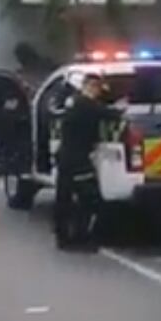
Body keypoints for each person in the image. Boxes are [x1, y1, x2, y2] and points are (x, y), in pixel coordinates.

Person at [54, 72, 120, 251]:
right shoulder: (87, 104)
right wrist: (122, 108)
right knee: (90, 199)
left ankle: (64, 237)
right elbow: (111, 114)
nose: (100, 93)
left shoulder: (73, 101)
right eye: (98, 88)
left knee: (64, 198)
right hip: (78, 159)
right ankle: (79, 237)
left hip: (66, 156)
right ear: (91, 86)